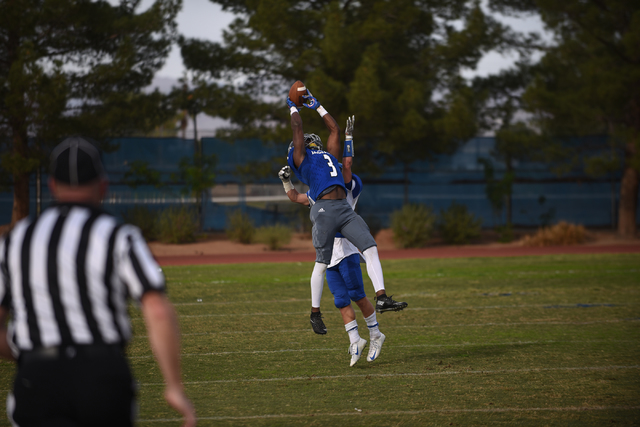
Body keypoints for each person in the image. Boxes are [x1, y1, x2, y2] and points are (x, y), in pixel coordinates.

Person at [0, 137, 196, 427]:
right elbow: (156, 309)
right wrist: (174, 386)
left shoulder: (17, 239)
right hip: (102, 376)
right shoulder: (119, 235)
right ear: (103, 185)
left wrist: (31, 357)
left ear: (52, 185)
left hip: (38, 379)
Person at [285, 92, 407, 336]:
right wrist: (292, 107)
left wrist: (317, 105)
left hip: (343, 208)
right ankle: (315, 313)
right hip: (324, 209)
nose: (309, 143)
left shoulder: (329, 158)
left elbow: (334, 131)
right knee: (322, 261)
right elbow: (298, 127)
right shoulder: (301, 160)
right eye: (305, 143)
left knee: (370, 247)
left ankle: (382, 297)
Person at [280, 115, 392, 365]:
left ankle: (375, 333)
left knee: (357, 295)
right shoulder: (322, 189)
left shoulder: (346, 185)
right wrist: (286, 181)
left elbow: (348, 166)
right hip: (331, 253)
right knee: (341, 300)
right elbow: (298, 198)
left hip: (348, 248)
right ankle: (355, 340)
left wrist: (349, 139)